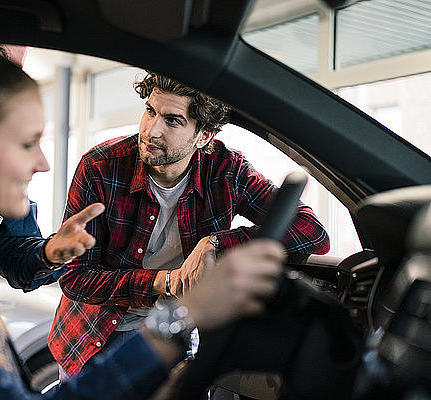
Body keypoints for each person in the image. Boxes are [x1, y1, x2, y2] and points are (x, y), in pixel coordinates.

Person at [0, 50, 286, 399]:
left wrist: (50, 253)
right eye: (27, 142)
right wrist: (183, 314)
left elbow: (19, 263)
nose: (44, 164)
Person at [48, 71, 331, 378]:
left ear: (204, 135)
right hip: (93, 335)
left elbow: (312, 231)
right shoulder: (101, 166)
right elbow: (75, 278)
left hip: (176, 331)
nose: (152, 130)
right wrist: (164, 281)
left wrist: (217, 242)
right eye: (150, 111)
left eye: (172, 120)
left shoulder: (227, 171)